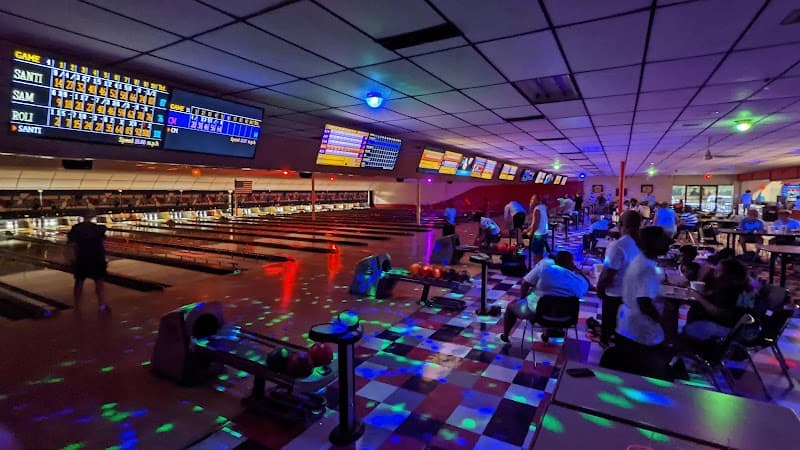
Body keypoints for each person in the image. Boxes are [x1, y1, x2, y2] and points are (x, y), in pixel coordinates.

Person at [601, 226, 673, 379]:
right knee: (642, 375)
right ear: (653, 243)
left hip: (630, 325)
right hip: (639, 329)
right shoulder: (646, 268)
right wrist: (663, 325)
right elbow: (644, 303)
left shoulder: (642, 262)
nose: (669, 242)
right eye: (663, 239)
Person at [500, 251, 589, 343]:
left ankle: (505, 337)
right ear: (572, 264)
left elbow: (525, 283)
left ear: (555, 261)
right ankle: (550, 332)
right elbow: (587, 285)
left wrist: (523, 299)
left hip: (539, 313)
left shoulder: (545, 270)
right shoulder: (579, 280)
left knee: (511, 306)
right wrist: (578, 271)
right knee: (557, 304)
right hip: (567, 316)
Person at [595, 211, 642, 346]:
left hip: (615, 294)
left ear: (620, 224)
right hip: (632, 293)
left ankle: (607, 351)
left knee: (609, 328)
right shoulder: (641, 245)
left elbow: (608, 272)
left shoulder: (618, 245)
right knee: (623, 329)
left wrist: (600, 288)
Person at [684, 259, 755, 341]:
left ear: (728, 274)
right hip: (733, 329)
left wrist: (699, 297)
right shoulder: (740, 287)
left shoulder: (729, 290)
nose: (715, 271)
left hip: (722, 329)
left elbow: (718, 313)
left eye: (719, 270)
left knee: (687, 330)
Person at [67, 210, 109, 312]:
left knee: (79, 282)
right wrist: (105, 258)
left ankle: (77, 306)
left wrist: (71, 258)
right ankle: (102, 305)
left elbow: (71, 244)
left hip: (82, 258)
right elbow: (103, 243)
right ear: (92, 216)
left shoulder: (76, 228)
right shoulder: (98, 228)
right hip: (97, 258)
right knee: (99, 282)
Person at [525, 194, 549, 265]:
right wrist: (527, 230)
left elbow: (536, 224)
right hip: (544, 233)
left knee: (536, 254)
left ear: (538, 201)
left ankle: (536, 268)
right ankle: (540, 267)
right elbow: (534, 223)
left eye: (533, 199)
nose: (531, 201)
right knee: (540, 252)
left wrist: (531, 233)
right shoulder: (543, 207)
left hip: (538, 234)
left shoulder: (537, 209)